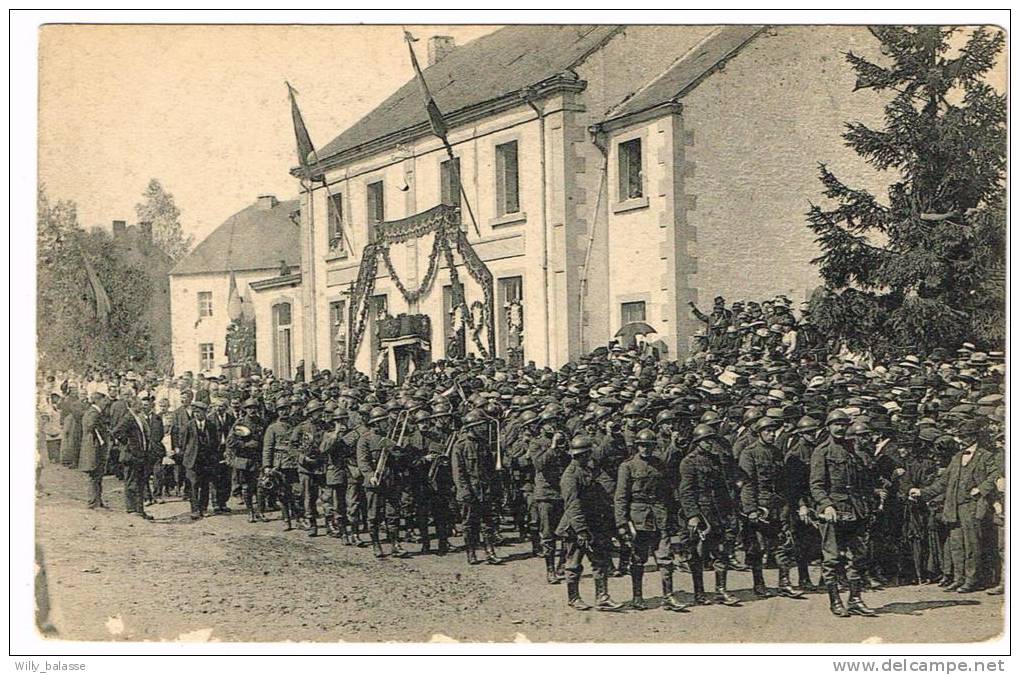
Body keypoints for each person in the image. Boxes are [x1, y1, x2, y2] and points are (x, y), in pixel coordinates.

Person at [910, 419, 998, 593]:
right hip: (953, 507)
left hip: (972, 506)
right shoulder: (957, 457)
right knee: (956, 544)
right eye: (962, 436)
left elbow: (995, 475)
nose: (964, 439)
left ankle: (972, 579)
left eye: (967, 436)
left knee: (972, 544)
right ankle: (958, 578)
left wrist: (980, 490)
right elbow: (943, 482)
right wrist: (923, 492)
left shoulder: (985, 456)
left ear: (975, 437)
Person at [810, 411, 877, 617]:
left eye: (843, 424)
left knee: (858, 556)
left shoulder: (854, 450)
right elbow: (816, 485)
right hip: (833, 511)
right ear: (828, 426)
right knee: (832, 558)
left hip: (856, 510)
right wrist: (826, 505)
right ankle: (835, 601)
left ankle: (855, 599)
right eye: (835, 424)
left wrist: (869, 504)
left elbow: (863, 482)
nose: (840, 428)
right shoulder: (822, 451)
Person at [616, 428, 689, 611]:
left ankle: (668, 596)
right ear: (636, 446)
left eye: (648, 446)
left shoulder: (660, 464)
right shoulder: (628, 466)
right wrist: (622, 523)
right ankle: (637, 597)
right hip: (639, 518)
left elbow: (668, 491)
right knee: (638, 559)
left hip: (659, 515)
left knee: (665, 558)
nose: (645, 449)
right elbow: (621, 497)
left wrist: (673, 514)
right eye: (641, 446)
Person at [738, 415, 804, 598]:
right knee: (758, 547)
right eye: (767, 431)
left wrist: (787, 505)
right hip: (760, 506)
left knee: (784, 544)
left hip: (777, 505)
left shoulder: (777, 453)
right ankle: (759, 583)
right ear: (759, 433)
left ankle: (784, 583)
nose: (772, 434)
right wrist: (751, 509)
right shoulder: (749, 453)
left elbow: (782, 482)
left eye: (773, 431)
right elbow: (747, 483)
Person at [556, 434, 623, 611]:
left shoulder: (589, 470)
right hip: (575, 527)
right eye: (586, 454)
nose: (589, 457)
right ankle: (573, 598)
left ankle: (602, 597)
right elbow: (573, 505)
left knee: (600, 561)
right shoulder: (570, 476)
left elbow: (608, 487)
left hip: (594, 523)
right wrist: (581, 530)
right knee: (573, 564)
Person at [678, 424, 740, 607]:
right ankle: (699, 593)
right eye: (706, 440)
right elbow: (686, 492)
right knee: (697, 554)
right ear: (698, 442)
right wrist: (693, 515)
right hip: (701, 513)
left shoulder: (715, 460)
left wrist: (729, 511)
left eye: (712, 440)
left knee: (722, 551)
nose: (710, 443)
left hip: (717, 511)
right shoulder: (688, 462)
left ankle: (721, 589)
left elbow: (722, 488)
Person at [452, 409, 505, 565]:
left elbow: (490, 470)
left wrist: (496, 489)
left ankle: (490, 552)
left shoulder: (483, 444)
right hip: (469, 492)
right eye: (481, 425)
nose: (484, 428)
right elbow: (459, 473)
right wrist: (465, 492)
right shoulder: (460, 446)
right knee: (469, 524)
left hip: (485, 490)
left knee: (488, 523)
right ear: (473, 427)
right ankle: (471, 552)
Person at [110, 393, 154, 520]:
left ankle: (139, 510)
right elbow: (116, 432)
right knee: (131, 483)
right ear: (132, 405)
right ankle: (131, 509)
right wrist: (127, 446)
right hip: (131, 456)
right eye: (139, 403)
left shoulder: (137, 417)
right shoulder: (128, 418)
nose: (141, 406)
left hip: (140, 456)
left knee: (140, 483)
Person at [181, 400, 220, 520]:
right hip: (193, 460)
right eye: (195, 412)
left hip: (206, 460)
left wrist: (213, 458)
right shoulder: (189, 425)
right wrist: (185, 457)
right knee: (193, 485)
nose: (197, 414)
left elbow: (215, 442)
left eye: (199, 412)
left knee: (205, 485)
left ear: (205, 412)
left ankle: (203, 508)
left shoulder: (211, 426)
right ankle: (195, 510)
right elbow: (183, 443)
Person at [78, 392, 111, 509]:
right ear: (97, 401)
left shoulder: (94, 412)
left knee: (97, 475)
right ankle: (93, 502)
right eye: (103, 400)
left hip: (94, 446)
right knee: (94, 475)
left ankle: (97, 500)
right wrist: (103, 432)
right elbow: (91, 426)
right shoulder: (94, 413)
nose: (105, 403)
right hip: (94, 447)